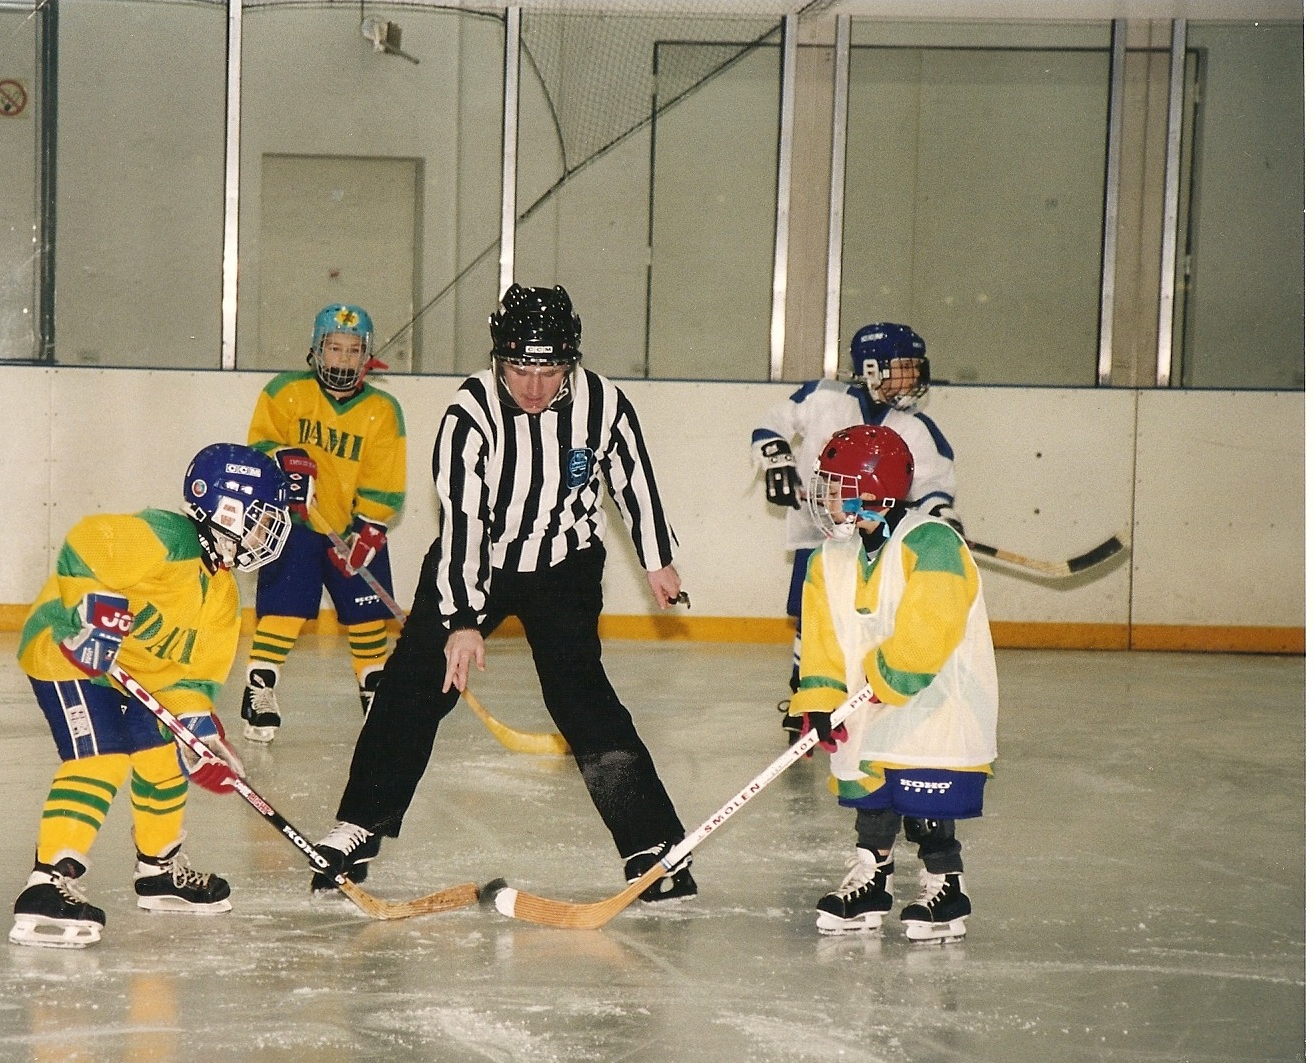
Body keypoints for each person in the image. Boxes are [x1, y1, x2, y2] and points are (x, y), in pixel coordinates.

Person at [307, 283, 696, 901]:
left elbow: (633, 480)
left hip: (565, 564)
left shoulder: (603, 403)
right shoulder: (470, 412)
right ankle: (359, 825)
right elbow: (461, 521)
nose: (534, 387)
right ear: (498, 359)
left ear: (570, 361)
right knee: (412, 685)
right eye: (520, 369)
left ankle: (652, 845)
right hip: (478, 560)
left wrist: (657, 560)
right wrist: (462, 618)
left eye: (550, 370)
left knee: (581, 697)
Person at [8, 443, 293, 949]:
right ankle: (47, 883)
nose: (265, 532)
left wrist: (200, 737)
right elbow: (85, 544)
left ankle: (158, 871)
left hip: (133, 674)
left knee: (164, 751)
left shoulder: (223, 595)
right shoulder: (166, 537)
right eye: (261, 518)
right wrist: (95, 612)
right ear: (227, 508)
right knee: (102, 757)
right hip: (69, 649)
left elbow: (191, 681)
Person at [791, 424, 997, 944]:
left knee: (923, 795)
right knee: (872, 792)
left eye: (835, 487)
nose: (825, 498)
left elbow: (933, 623)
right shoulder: (827, 559)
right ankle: (872, 879)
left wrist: (893, 674)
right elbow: (822, 640)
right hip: (869, 702)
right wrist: (820, 700)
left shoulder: (932, 542)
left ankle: (945, 883)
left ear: (873, 492)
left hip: (936, 700)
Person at [749, 322, 962, 741]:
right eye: (903, 367)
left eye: (915, 367)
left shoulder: (915, 427)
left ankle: (867, 686)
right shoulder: (824, 398)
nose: (913, 376)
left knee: (870, 613)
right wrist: (776, 459)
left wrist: (941, 514)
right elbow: (771, 422)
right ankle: (805, 695)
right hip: (818, 529)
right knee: (812, 616)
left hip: (873, 540)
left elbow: (932, 485)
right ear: (870, 368)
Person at [240, 303, 407, 742]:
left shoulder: (383, 409)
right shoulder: (286, 392)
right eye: (335, 348)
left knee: (366, 615)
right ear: (316, 349)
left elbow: (385, 477)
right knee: (284, 610)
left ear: (366, 355)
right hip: (293, 526)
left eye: (353, 350)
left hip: (351, 529)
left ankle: (375, 692)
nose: (343, 359)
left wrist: (369, 528)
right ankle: (260, 690)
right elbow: (258, 446)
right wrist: (283, 459)